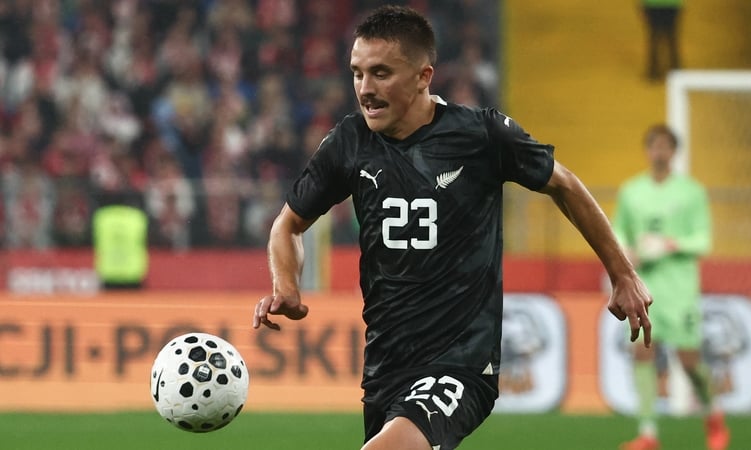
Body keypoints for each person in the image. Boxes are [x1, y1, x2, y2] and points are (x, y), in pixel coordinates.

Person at [253, 5, 653, 450]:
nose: (365, 89)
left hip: (461, 362)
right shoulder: (349, 143)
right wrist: (285, 283)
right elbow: (287, 226)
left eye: (381, 73)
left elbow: (564, 184)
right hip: (385, 366)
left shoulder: (481, 135)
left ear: (424, 76)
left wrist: (622, 273)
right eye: (357, 73)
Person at [613, 124, 728, 450]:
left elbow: (703, 241)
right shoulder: (631, 191)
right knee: (643, 353)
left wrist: (668, 244)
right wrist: (627, 251)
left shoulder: (692, 192)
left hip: (679, 290)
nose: (659, 152)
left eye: (665, 147)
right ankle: (648, 434)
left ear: (674, 152)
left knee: (689, 362)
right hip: (643, 287)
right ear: (648, 151)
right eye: (654, 146)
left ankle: (714, 414)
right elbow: (618, 230)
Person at [640, 0, 683, 81]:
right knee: (671, 36)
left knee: (655, 36)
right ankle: (676, 69)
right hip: (672, 4)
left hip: (653, 4)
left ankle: (654, 71)